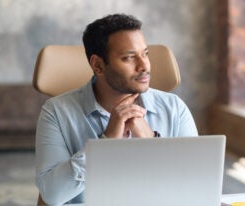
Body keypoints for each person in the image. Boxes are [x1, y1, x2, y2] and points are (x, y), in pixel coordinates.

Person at [35, 13, 198, 205]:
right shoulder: (56, 113)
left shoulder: (175, 109)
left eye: (145, 54)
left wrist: (152, 143)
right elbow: (52, 195)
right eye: (129, 58)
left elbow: (195, 190)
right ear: (98, 65)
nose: (144, 66)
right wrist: (104, 145)